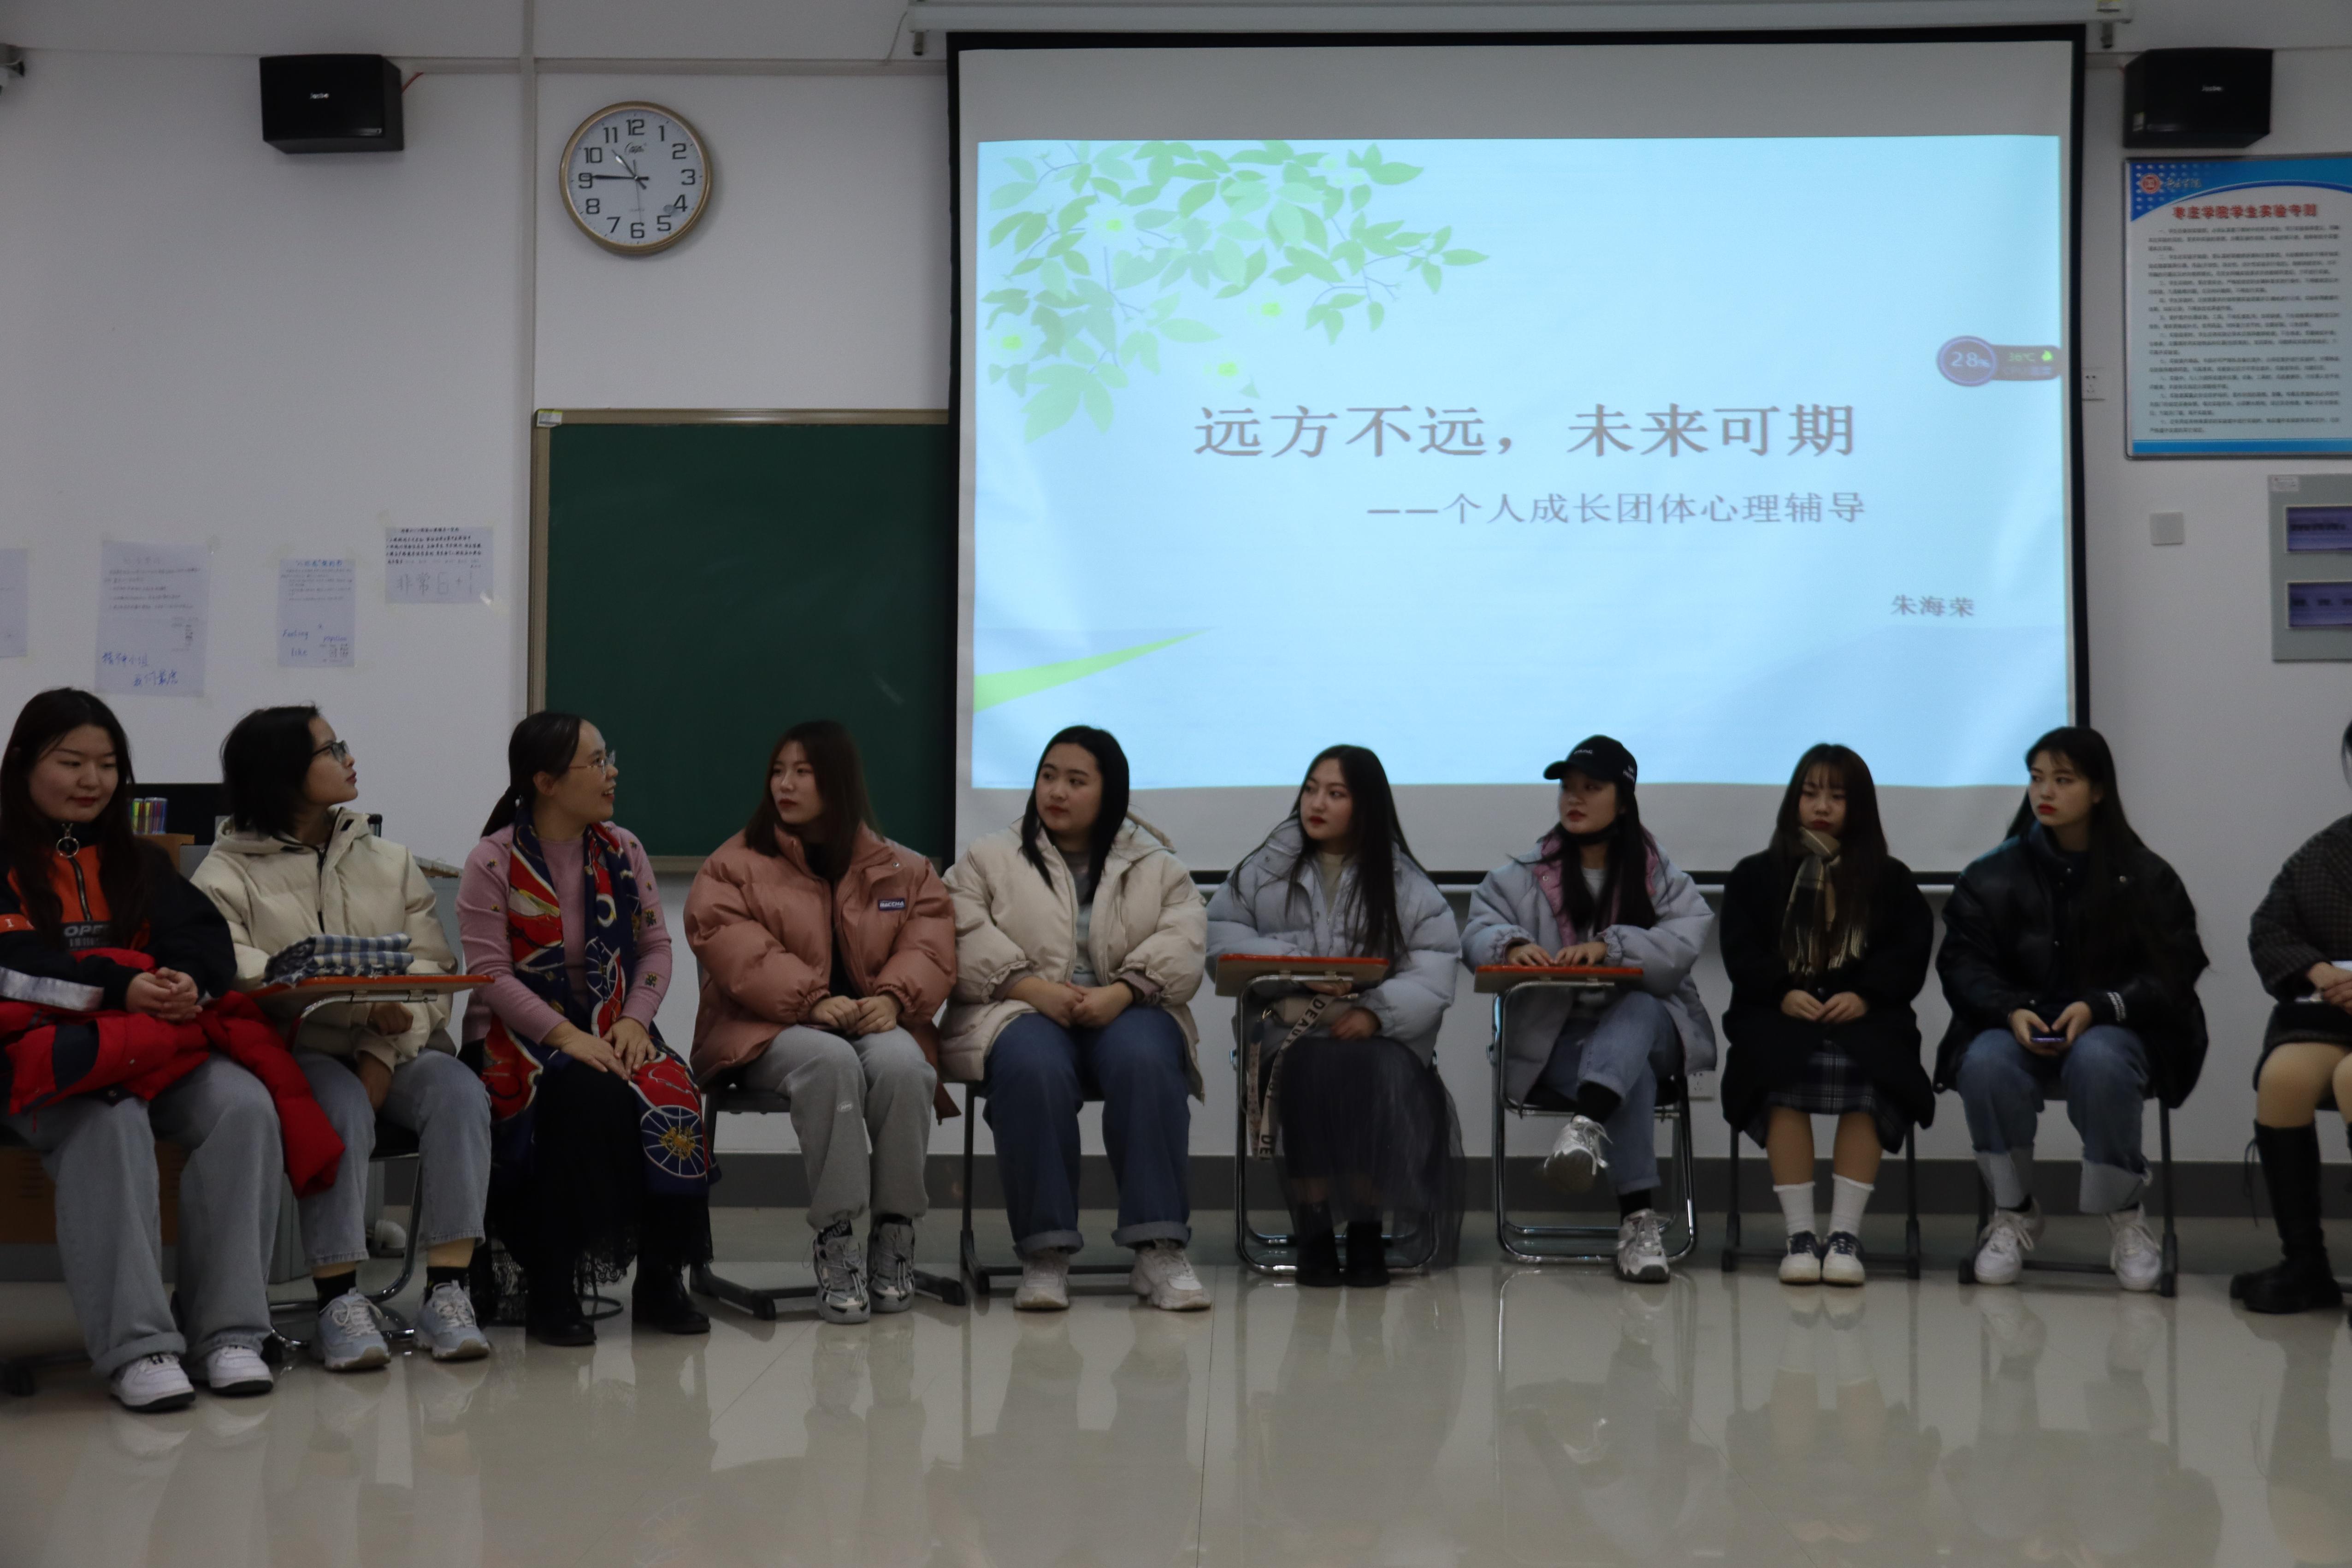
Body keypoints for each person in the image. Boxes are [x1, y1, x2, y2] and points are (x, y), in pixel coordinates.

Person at [0, 689, 306, 1410]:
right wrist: (120, 986)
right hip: (41, 1063)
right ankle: (138, 1347)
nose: (92, 780)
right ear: (23, 765)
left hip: (150, 1049)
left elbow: (200, 941)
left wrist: (186, 981)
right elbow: (14, 964)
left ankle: (228, 1332)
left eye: (108, 764)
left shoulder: (139, 860)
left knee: (243, 1108)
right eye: (70, 761)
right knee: (109, 1120)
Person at [193, 705, 492, 1368]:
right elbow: (238, 974)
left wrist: (379, 1048)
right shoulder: (224, 872)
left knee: (459, 1092)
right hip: (297, 1049)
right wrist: (357, 1015)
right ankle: (338, 1299)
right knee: (342, 1104)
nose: (349, 759)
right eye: (332, 750)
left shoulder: (390, 859)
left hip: (400, 1043)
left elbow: (432, 966)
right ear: (283, 772)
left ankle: (448, 1291)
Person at [684, 720, 954, 1325]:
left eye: (802, 772)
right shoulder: (732, 866)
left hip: (870, 1023)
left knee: (906, 1066)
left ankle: (894, 1232)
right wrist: (809, 1000)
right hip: (764, 1030)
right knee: (829, 1061)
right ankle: (836, 1240)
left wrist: (893, 999)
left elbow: (930, 943)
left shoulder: (902, 868)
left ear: (837, 781)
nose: (785, 784)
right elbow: (732, 945)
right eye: (778, 771)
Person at [459, 712, 710, 1345]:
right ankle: (552, 1287)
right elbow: (489, 975)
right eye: (596, 762)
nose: (611, 772)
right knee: (582, 1091)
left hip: (613, 1022)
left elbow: (655, 948)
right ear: (545, 781)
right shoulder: (493, 859)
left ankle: (661, 1277)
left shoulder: (623, 850)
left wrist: (634, 1019)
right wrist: (567, 1037)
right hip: (515, 1038)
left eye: (608, 757)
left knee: (673, 1088)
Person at [943, 725, 1210, 1312]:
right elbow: (958, 930)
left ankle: (1158, 1248)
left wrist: (1122, 991)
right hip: (1021, 1005)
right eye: (1047, 776)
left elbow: (1185, 937)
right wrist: (1032, 988)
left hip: (1127, 1005)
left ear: (1109, 791)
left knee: (1146, 1059)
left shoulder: (1156, 863)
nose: (1056, 791)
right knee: (1032, 1066)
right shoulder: (989, 857)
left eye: (1075, 780)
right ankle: (1045, 1254)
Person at [1937, 727, 2208, 1292]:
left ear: (2098, 790)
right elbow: (1962, 963)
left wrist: (2100, 1006)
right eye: (2037, 778)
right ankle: (2012, 1211)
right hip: (2017, 1023)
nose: (2045, 792)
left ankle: (2124, 1214)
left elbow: (2173, 971)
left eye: (2063, 780)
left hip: (2114, 1027)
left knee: (2099, 1060)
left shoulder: (2145, 875)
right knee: (1985, 1062)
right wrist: (2009, 1010)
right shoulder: (1990, 874)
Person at [1204, 744, 1462, 1286]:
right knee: (1307, 1067)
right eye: (1310, 788)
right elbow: (1220, 939)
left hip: (1373, 1035)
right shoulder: (1262, 868)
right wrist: (1296, 966)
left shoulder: (1403, 881)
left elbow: (1434, 968)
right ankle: (1314, 1229)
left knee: (1375, 1069)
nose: (1316, 803)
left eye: (1335, 793)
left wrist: (1376, 1014)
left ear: (1365, 805)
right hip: (1288, 1032)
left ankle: (1367, 1228)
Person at [1462, 735, 1714, 1284]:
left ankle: (1585, 1125)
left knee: (1639, 1008)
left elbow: (1684, 940)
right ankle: (1637, 1223)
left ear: (1622, 801)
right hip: (1559, 1045)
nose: (1573, 798)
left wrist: (1612, 946)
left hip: (1654, 1029)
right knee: (1629, 1073)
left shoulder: (1657, 874)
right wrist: (1508, 943)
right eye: (1567, 787)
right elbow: (1476, 928)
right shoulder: (1526, 872)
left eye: (1590, 788)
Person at [1716, 744, 1934, 1286]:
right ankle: (1799, 1235)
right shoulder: (1754, 874)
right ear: (1793, 799)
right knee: (1779, 1066)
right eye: (1810, 793)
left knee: (1872, 1068)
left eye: (1836, 796)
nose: (1821, 806)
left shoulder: (1890, 878)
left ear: (1858, 807)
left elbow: (1907, 953)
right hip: (1776, 1014)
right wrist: (1780, 991)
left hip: (1866, 1017)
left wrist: (1865, 995)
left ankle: (1843, 1235)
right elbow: (1741, 950)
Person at [2232, 716, 2352, 1314]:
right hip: (2337, 1015)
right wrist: (2317, 970)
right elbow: (2270, 925)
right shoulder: (2328, 850)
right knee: (2282, 1078)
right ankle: (2305, 1265)